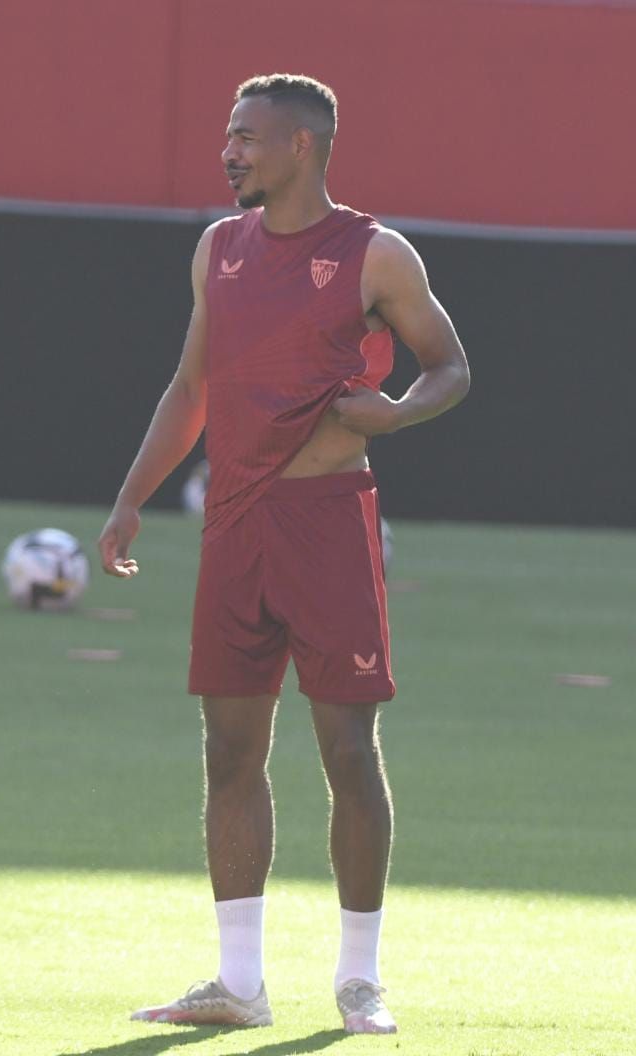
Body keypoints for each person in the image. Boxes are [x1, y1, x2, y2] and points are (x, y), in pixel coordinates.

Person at [98, 73, 469, 1035]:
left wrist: (396, 412)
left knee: (347, 748)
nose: (229, 152)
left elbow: (451, 365)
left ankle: (360, 980)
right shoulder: (217, 248)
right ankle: (238, 983)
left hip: (329, 522)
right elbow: (190, 387)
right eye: (228, 135)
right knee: (229, 750)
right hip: (234, 523)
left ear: (301, 145)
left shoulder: (374, 253)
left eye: (247, 137)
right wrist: (131, 499)